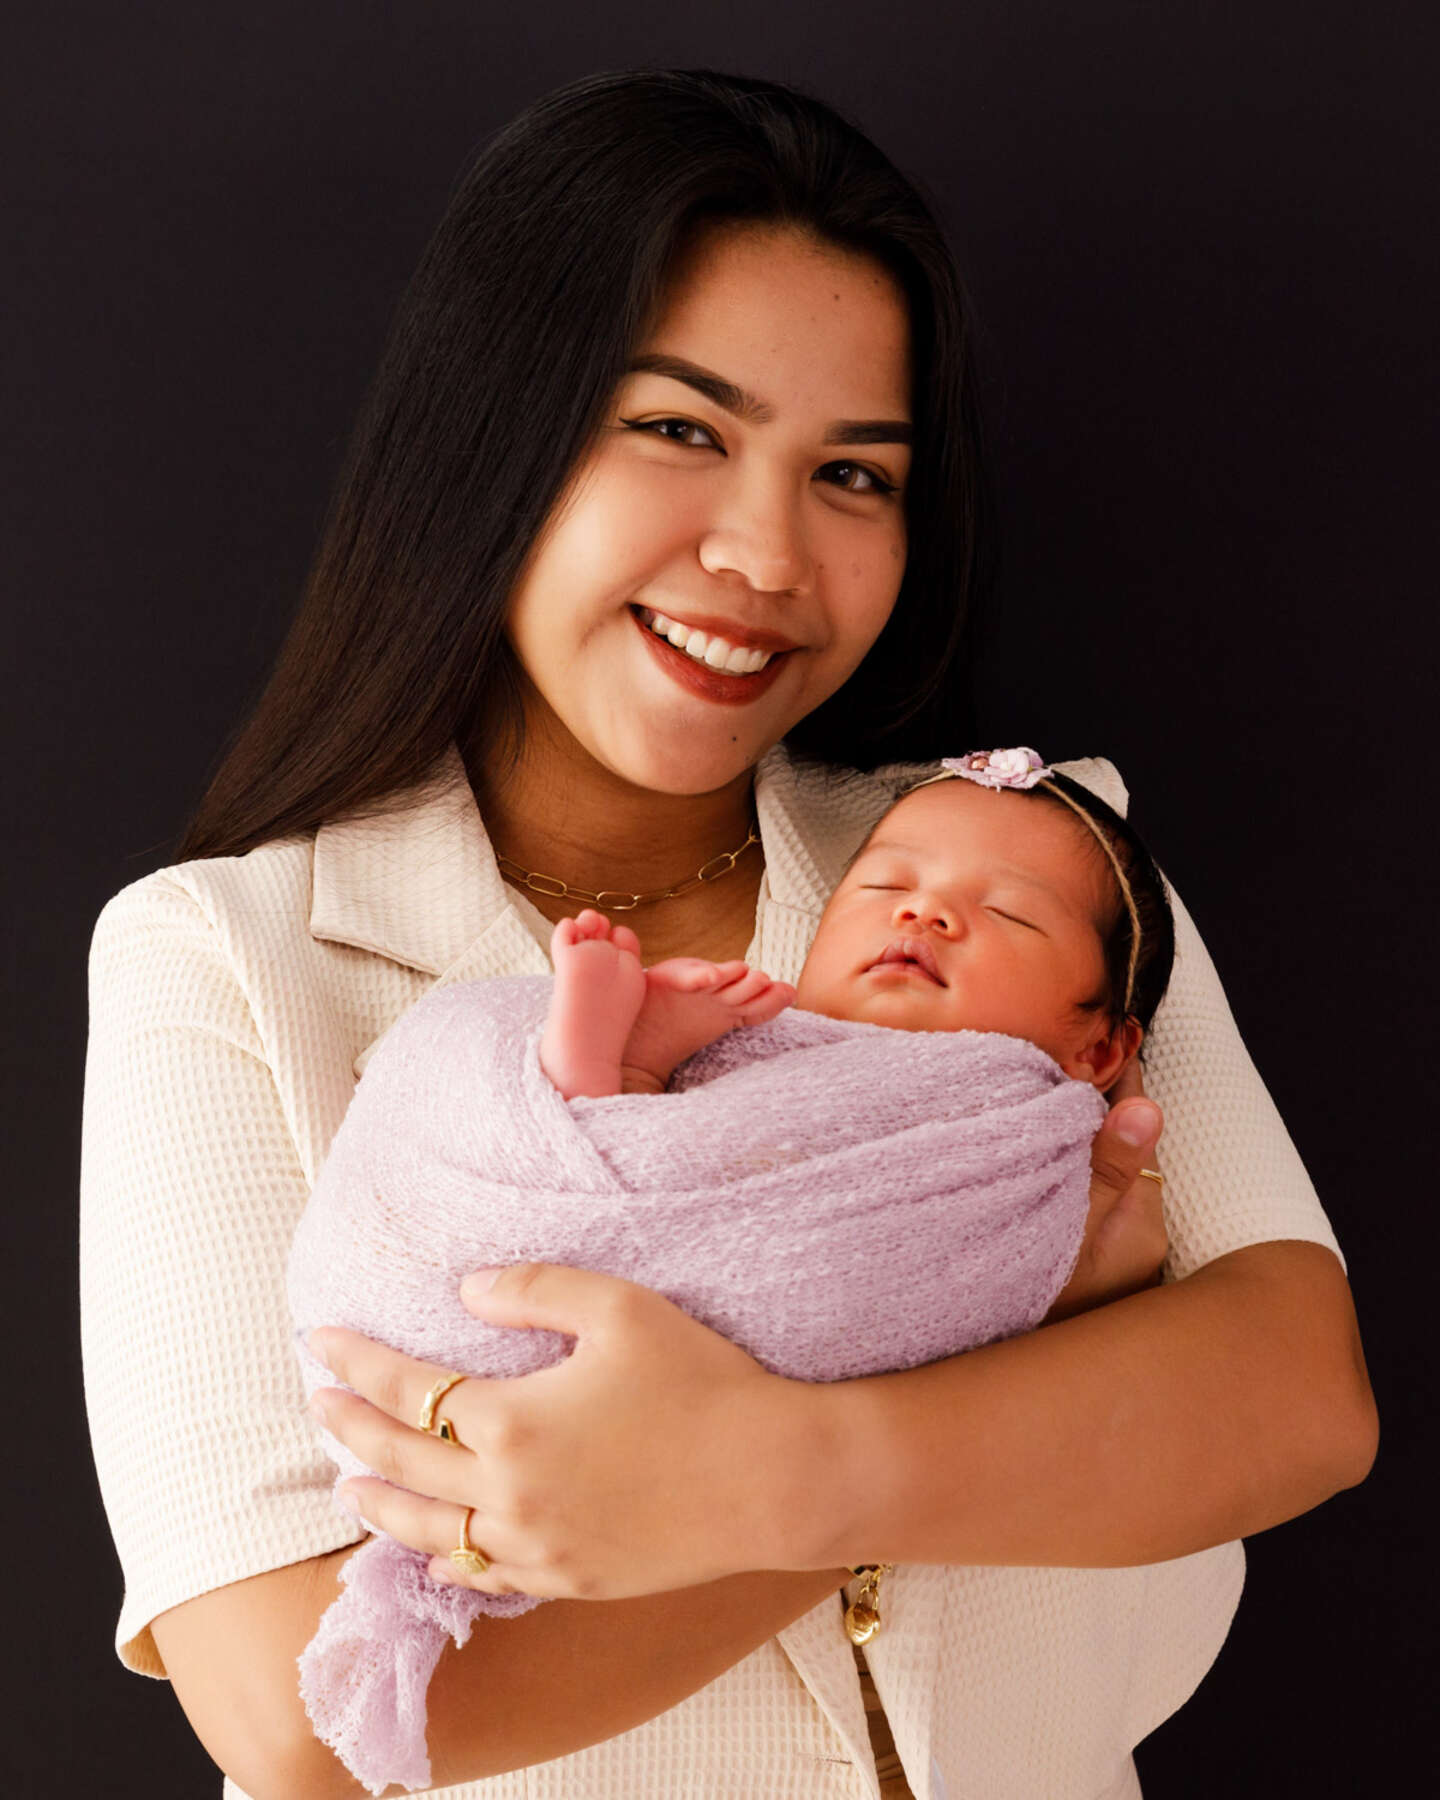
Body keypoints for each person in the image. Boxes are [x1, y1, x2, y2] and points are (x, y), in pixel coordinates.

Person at [79, 67, 1376, 1800]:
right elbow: (305, 1721)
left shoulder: (1014, 865)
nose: (767, 552)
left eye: (854, 471)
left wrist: (768, 1463)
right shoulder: (227, 959)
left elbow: (1296, 1393)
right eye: (682, 429)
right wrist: (989, 1367)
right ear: (503, 431)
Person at [287, 754, 1175, 1794]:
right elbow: (659, 1178)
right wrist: (644, 1065)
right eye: (886, 889)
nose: (926, 914)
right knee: (597, 1128)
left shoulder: (1019, 1122)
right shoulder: (762, 1040)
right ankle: (594, 1065)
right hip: (535, 1280)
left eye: (1008, 916)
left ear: (1100, 1048)